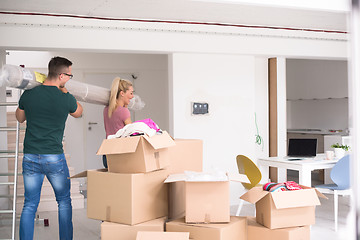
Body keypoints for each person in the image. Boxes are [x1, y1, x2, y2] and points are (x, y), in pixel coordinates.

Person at [15, 56, 83, 240]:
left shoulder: (29, 94)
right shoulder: (66, 98)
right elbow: (79, 112)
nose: (70, 78)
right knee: (63, 202)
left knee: (29, 204)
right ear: (61, 75)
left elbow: (20, 118)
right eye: (69, 75)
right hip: (54, 158)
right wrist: (65, 90)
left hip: (30, 157)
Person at [102, 77, 134, 168]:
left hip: (107, 152)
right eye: (131, 93)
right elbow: (132, 132)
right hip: (119, 153)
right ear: (122, 93)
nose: (132, 96)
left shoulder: (106, 109)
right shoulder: (123, 111)